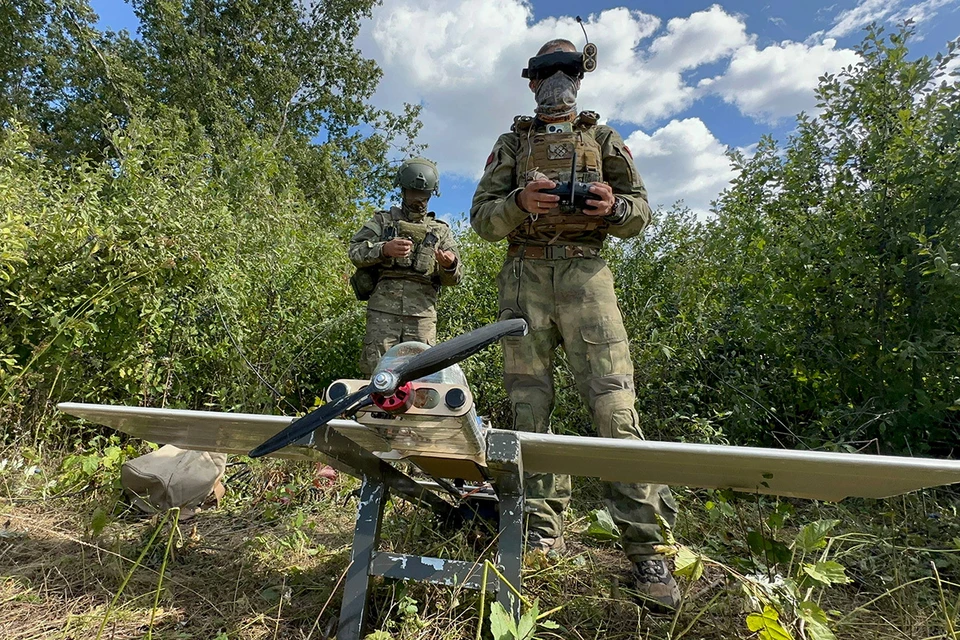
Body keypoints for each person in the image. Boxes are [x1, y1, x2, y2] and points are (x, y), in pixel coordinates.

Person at [469, 39, 680, 608]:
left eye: (567, 70)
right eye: (546, 71)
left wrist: (611, 208)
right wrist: (519, 203)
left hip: (588, 276)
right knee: (529, 406)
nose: (557, 79)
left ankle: (648, 552)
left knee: (615, 404)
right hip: (524, 278)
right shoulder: (512, 143)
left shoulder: (604, 139)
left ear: (579, 80)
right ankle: (539, 532)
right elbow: (482, 222)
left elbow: (640, 212)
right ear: (531, 81)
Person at [349, 157, 463, 375]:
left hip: (422, 317)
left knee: (422, 377)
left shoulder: (440, 231)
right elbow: (355, 251)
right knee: (377, 373)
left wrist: (449, 265)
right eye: (412, 193)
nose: (416, 200)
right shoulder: (382, 222)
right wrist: (384, 249)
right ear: (402, 190)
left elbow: (456, 278)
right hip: (383, 312)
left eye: (422, 195)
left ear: (431, 194)